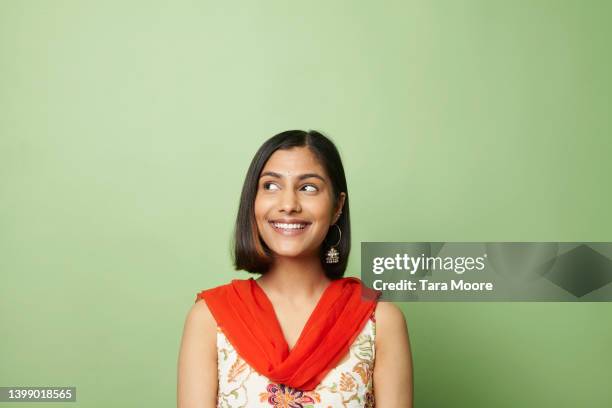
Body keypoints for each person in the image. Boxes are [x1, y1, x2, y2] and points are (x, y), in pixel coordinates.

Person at [177, 130, 413, 407]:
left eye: (308, 188)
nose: (288, 205)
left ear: (337, 207)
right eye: (271, 186)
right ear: (252, 202)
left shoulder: (380, 320)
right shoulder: (209, 318)